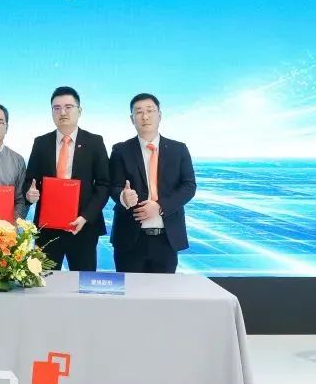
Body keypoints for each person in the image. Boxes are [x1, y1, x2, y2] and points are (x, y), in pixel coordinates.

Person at [23, 86, 109, 271]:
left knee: (83, 283)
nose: (62, 112)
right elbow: (29, 181)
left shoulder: (94, 142)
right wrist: (29, 194)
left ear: (79, 110)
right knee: (44, 281)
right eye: (57, 108)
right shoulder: (41, 143)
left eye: (68, 107)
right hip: (48, 228)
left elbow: (104, 184)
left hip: (83, 227)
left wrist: (85, 217)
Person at [109, 93, 196, 273]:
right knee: (128, 290)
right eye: (139, 112)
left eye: (150, 110)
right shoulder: (120, 150)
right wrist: (123, 197)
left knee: (163, 290)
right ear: (132, 119)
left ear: (159, 115)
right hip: (129, 239)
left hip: (166, 239)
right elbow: (112, 185)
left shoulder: (178, 149)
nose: (145, 116)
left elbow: (189, 186)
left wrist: (160, 206)